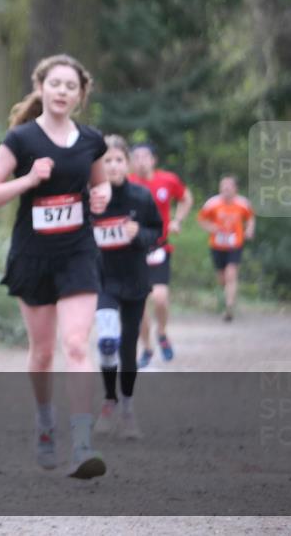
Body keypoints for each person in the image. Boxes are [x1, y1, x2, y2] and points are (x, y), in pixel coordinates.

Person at [0, 53, 111, 480]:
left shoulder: (92, 140)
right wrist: (29, 180)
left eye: (71, 86)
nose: (62, 92)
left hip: (78, 254)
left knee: (75, 344)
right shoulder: (20, 140)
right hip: (33, 257)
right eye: (55, 83)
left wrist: (103, 194)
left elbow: (100, 180)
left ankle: (83, 442)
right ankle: (45, 420)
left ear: (80, 95)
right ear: (41, 87)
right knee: (42, 352)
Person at [91, 136, 163, 439]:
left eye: (119, 159)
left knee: (129, 348)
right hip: (103, 280)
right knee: (107, 341)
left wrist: (139, 234)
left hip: (135, 280)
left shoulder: (141, 197)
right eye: (106, 160)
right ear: (99, 165)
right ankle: (109, 401)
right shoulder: (92, 198)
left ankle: (128, 409)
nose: (113, 165)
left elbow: (157, 231)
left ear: (128, 163)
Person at [129, 143, 193, 368]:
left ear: (153, 160)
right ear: (130, 162)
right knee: (138, 304)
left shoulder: (167, 180)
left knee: (160, 297)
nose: (140, 161)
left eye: (145, 156)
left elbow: (186, 198)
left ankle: (162, 332)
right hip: (133, 251)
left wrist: (177, 220)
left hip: (159, 249)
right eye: (135, 157)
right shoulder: (126, 184)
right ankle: (146, 347)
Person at [197, 175, 255, 322]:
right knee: (222, 278)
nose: (226, 189)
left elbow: (250, 218)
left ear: (235, 188)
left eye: (229, 186)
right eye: (223, 186)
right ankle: (228, 298)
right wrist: (211, 227)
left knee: (231, 274)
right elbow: (201, 220)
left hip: (235, 244)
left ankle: (229, 307)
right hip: (217, 245)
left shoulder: (243, 203)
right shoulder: (212, 203)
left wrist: (249, 230)